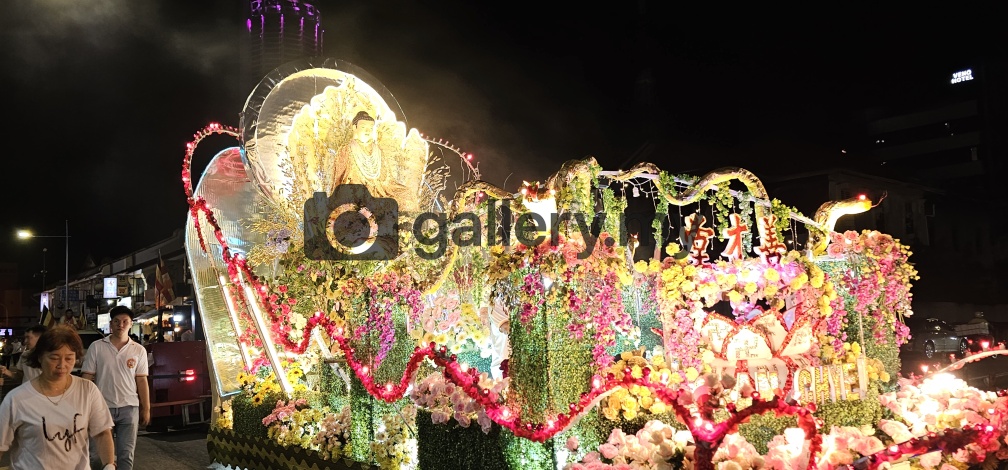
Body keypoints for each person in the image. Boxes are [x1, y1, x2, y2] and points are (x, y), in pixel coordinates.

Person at [0, 325, 116, 470]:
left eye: (69, 358)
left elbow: (102, 433)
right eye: (54, 358)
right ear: (40, 357)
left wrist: (109, 465)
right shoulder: (16, 399)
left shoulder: (87, 390)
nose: (62, 365)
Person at [82, 306, 150, 470]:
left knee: (126, 454)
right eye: (117, 321)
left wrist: (146, 408)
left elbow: (141, 380)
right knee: (98, 455)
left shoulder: (138, 350)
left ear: (131, 324)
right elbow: (87, 378)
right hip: (101, 408)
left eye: (125, 321)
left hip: (129, 408)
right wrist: (84, 406)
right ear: (111, 324)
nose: (121, 325)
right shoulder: (97, 347)